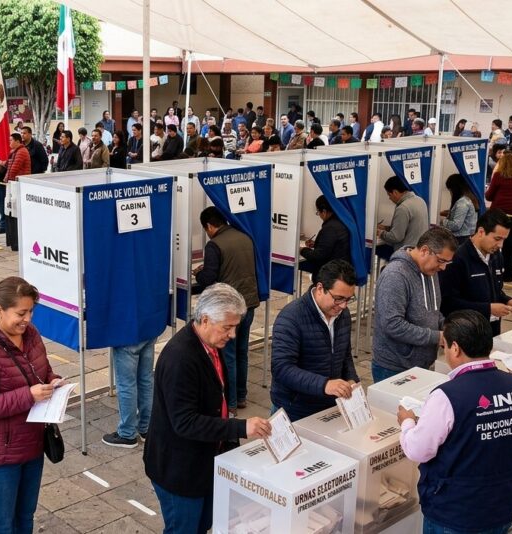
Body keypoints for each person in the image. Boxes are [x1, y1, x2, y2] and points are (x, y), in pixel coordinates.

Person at [144, 283, 271, 532]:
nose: (232, 335)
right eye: (227, 327)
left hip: (203, 461)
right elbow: (185, 422)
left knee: (202, 525)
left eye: (235, 327)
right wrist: (241, 427)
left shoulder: (210, 344)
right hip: (180, 471)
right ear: (204, 319)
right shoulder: (180, 358)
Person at [398, 309, 512, 534]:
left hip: (455, 511)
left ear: (456, 348)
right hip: (501, 504)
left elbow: (419, 450)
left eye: (445, 346)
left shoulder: (447, 395)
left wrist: (408, 422)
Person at [0, 277, 59, 532]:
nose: (27, 319)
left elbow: (42, 369)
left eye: (31, 312)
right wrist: (29, 395)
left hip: (31, 445)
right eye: (21, 313)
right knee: (1, 524)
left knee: (25, 516)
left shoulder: (31, 334)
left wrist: (53, 381)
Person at [271, 260, 358, 421]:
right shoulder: (291, 317)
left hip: (329, 407)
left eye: (348, 299)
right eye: (338, 298)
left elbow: (344, 355)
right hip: (295, 410)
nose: (343, 306)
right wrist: (325, 385)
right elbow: (282, 368)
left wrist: (351, 379)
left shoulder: (342, 314)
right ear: (319, 289)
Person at [193, 206, 259, 414]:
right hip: (249, 303)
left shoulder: (214, 245)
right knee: (242, 352)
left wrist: (198, 274)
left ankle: (230, 403)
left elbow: (209, 278)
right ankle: (241, 396)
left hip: (229, 309)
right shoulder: (244, 236)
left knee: (228, 355)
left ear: (209, 226)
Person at [372, 228, 456, 381]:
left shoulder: (430, 271)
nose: (443, 267)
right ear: (424, 250)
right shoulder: (395, 275)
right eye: (441, 261)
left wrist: (446, 326)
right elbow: (392, 324)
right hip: (394, 367)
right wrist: (437, 337)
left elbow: (432, 311)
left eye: (447, 262)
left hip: (421, 363)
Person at [439, 209, 512, 336]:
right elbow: (447, 303)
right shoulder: (458, 259)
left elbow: (495, 289)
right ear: (481, 232)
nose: (501, 245)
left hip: (491, 330)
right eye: (497, 239)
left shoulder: (496, 256)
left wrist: (507, 300)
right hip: (466, 332)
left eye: (504, 239)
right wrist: (488, 308)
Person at [485, 151, 512, 282]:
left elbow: (489, 196)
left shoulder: (499, 175)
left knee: (497, 239)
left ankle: (497, 268)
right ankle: (509, 272)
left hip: (501, 213)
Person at [299, 195, 351, 282]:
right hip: (340, 272)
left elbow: (318, 256)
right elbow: (334, 246)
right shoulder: (341, 221)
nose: (319, 215)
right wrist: (316, 244)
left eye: (318, 212)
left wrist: (302, 250)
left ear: (324, 211)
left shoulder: (330, 228)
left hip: (330, 277)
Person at [376, 176, 429, 261]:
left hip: (405, 254)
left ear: (395, 192)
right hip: (419, 251)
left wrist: (379, 232)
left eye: (389, 195)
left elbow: (396, 237)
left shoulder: (403, 208)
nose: (389, 198)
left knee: (375, 249)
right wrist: (385, 228)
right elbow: (409, 227)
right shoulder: (420, 201)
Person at [4, 133, 31, 253]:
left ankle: (17, 242)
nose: (9, 142)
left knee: (16, 214)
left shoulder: (21, 152)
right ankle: (13, 241)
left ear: (17, 141)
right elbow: (9, 166)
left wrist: (7, 179)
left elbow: (14, 169)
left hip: (18, 185)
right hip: (13, 184)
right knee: (11, 213)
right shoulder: (14, 152)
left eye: (11, 140)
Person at [440, 174, 478, 245]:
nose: (450, 193)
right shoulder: (466, 200)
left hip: (461, 239)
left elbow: (456, 225)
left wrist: (443, 221)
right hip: (464, 237)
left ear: (454, 189)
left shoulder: (462, 203)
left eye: (450, 190)